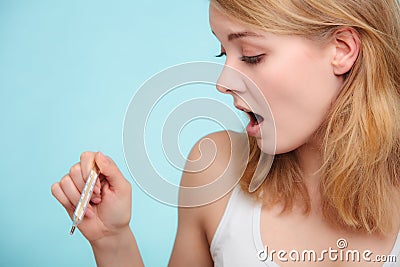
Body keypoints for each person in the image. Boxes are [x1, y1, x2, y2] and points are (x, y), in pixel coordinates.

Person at [51, 0, 400, 266]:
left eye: (251, 55)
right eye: (222, 52)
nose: (222, 82)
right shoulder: (215, 172)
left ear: (342, 49)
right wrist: (112, 239)